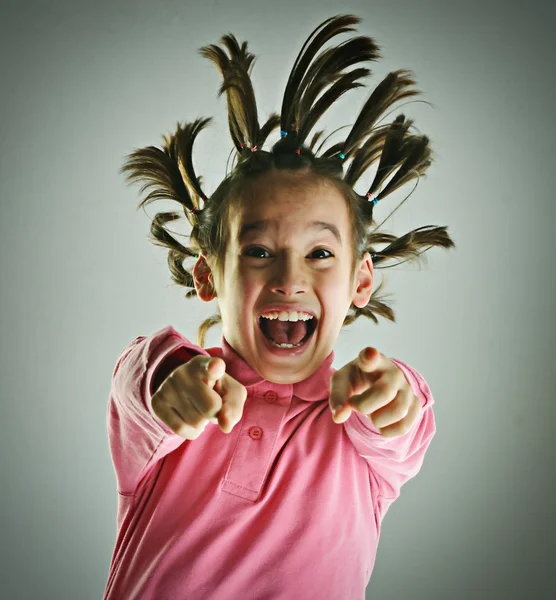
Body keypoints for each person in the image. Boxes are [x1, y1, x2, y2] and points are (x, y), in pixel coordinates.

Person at [103, 14, 455, 600]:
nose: (290, 278)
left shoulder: (361, 430)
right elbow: (139, 378)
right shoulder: (173, 400)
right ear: (208, 275)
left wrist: (397, 397)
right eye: (260, 251)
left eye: (319, 252)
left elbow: (406, 421)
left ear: (359, 282)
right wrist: (171, 379)